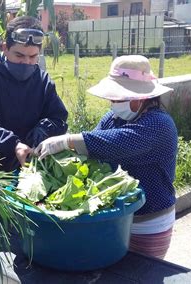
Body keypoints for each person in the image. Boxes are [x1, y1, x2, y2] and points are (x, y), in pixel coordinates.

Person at [34, 55, 178, 259]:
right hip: (114, 220)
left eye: (118, 99)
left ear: (140, 97)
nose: (113, 104)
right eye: (112, 98)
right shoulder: (113, 118)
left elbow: (117, 144)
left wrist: (67, 141)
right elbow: (93, 150)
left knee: (143, 276)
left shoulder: (159, 124)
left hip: (148, 221)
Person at [0, 16, 68, 172]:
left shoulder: (42, 81)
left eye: (32, 57)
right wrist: (14, 145)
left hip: (29, 169)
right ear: (5, 48)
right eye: (19, 56)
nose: (26, 62)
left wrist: (42, 131)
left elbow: (58, 118)